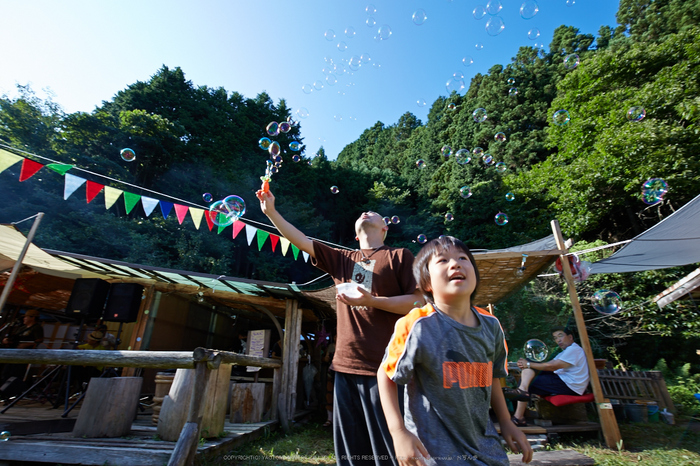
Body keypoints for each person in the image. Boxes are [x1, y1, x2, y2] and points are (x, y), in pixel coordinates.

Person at [257, 188, 422, 465]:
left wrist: (374, 300)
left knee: (389, 451)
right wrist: (271, 212)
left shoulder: (400, 256)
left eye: (372, 213)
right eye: (361, 214)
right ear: (356, 236)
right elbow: (301, 240)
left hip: (387, 368)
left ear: (384, 228)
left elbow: (417, 303)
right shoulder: (343, 259)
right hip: (345, 367)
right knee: (352, 452)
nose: (364, 212)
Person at [378, 236, 532, 465]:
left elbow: (490, 376)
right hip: (434, 452)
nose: (455, 264)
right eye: (442, 260)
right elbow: (386, 374)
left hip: (485, 446)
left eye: (463, 258)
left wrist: (506, 421)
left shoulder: (491, 325)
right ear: (426, 283)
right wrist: (398, 432)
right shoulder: (416, 325)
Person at [510, 327, 590, 427]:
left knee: (528, 380)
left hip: (570, 386)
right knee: (529, 375)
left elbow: (553, 366)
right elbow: (548, 364)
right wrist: (528, 364)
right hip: (562, 380)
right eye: (555, 338)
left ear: (570, 337)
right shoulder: (566, 351)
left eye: (560, 336)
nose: (558, 340)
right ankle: (522, 393)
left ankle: (519, 412)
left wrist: (528, 364)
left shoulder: (574, 350)